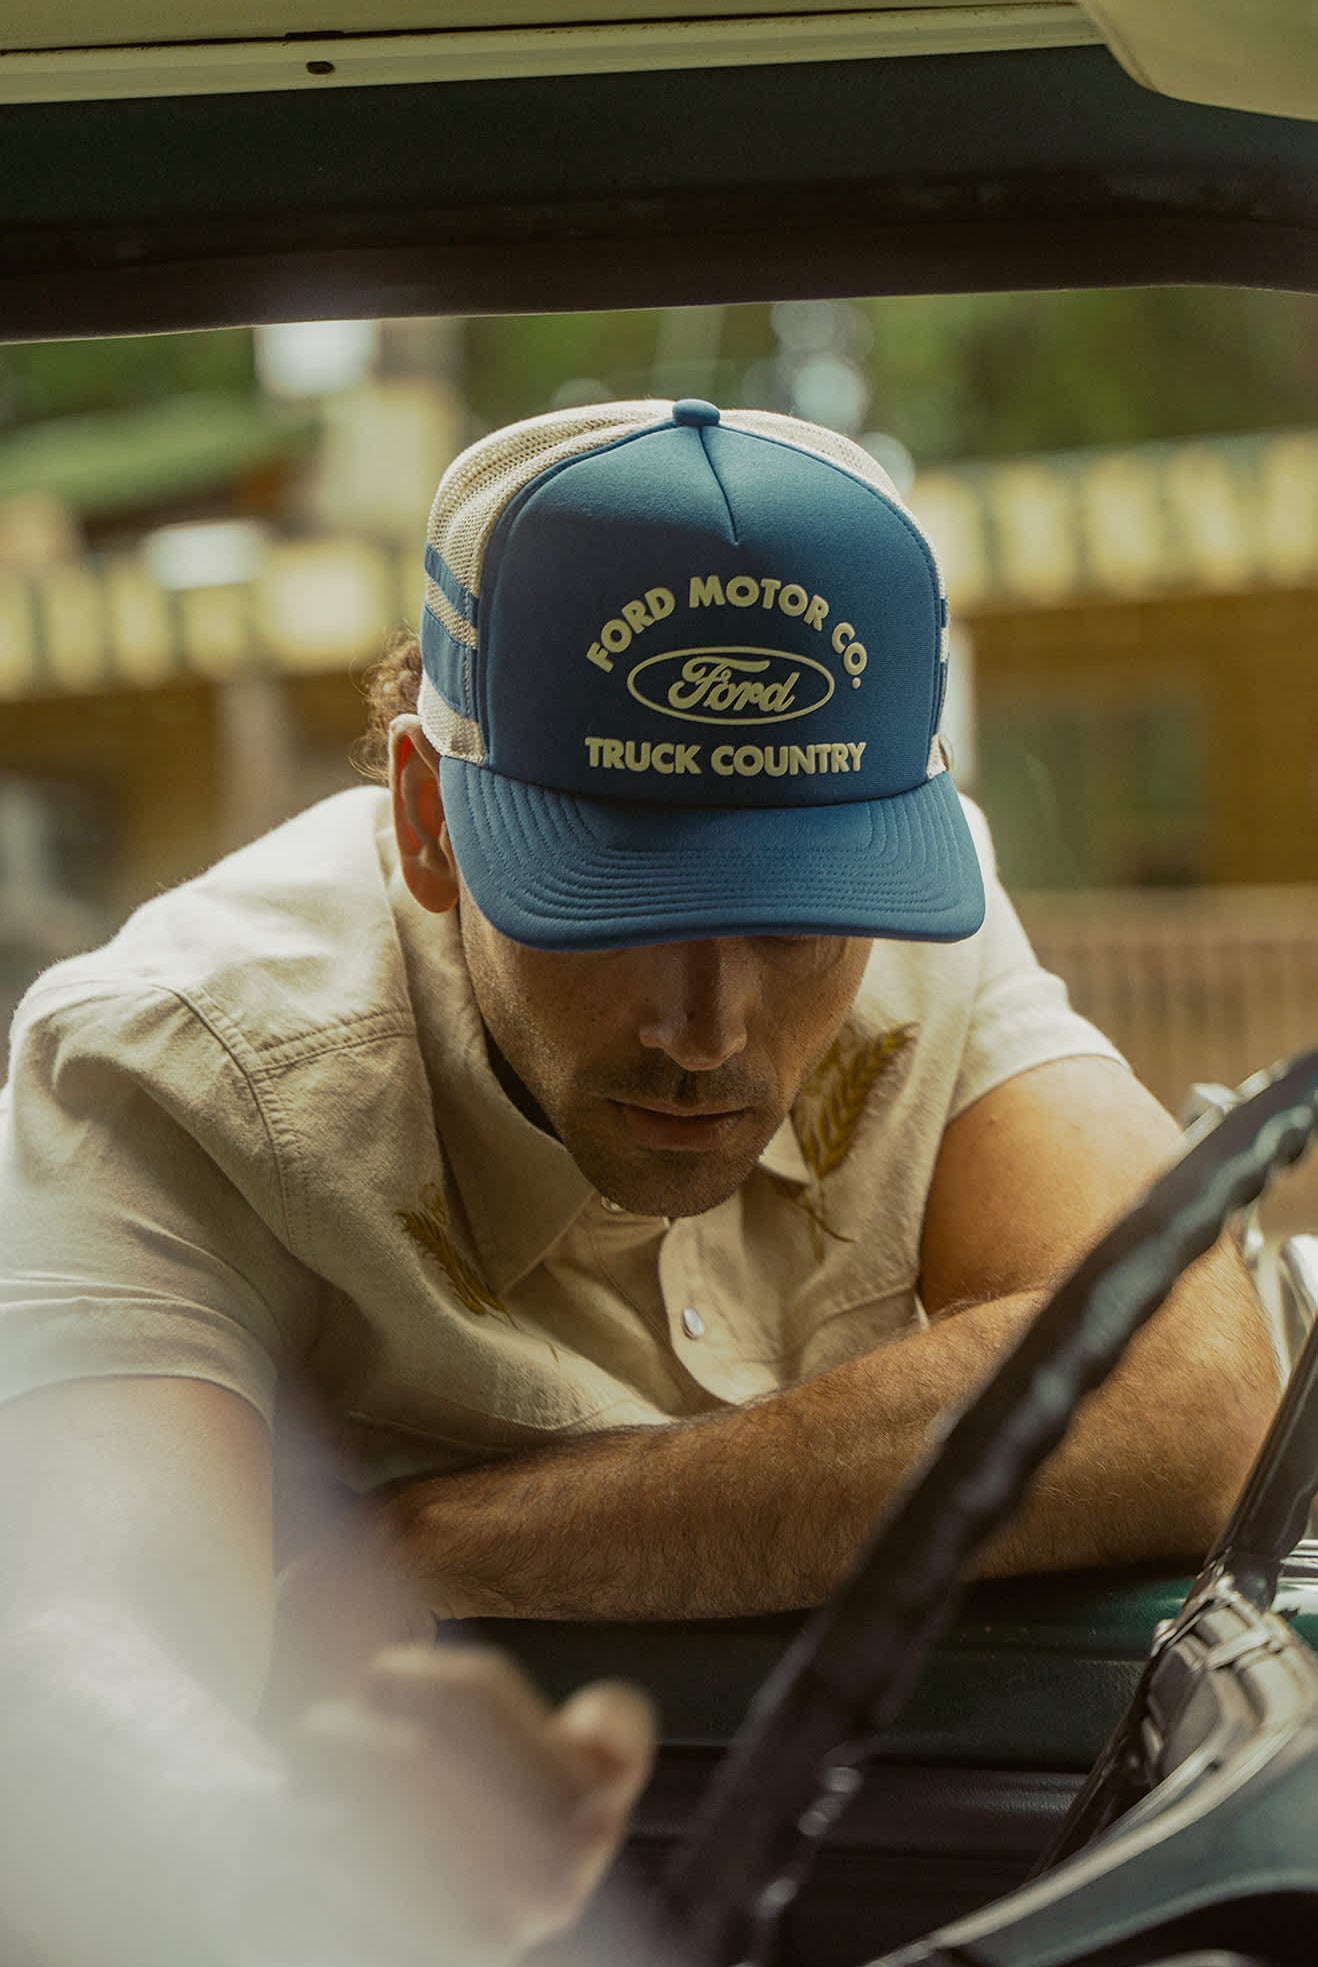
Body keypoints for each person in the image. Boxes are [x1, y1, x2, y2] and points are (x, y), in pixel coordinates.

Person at [0, 398, 1277, 1964]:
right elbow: (83, 1632)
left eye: (791, 921)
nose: (710, 1031)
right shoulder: (167, 1061)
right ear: (427, 819)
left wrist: (417, 1550)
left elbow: (1183, 1388)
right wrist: (245, 1843)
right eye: (613, 908)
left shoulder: (907, 908)